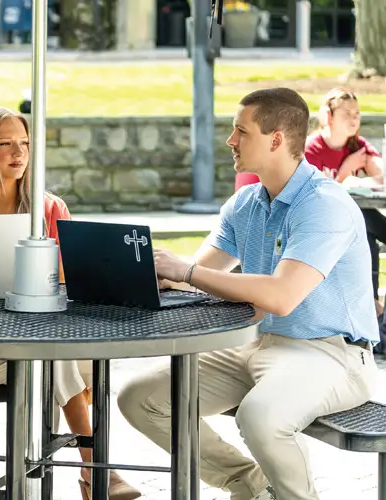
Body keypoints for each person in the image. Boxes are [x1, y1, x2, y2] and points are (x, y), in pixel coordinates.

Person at [118, 88, 379, 500]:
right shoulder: (246, 203)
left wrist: (186, 271)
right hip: (254, 344)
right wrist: (155, 272)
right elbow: (201, 272)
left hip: (332, 353)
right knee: (140, 399)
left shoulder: (324, 205)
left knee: (261, 417)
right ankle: (250, 485)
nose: (230, 141)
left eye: (241, 131)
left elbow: (282, 295)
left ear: (276, 139)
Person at [0, 106, 141, 500]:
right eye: (5, 145)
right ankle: (96, 469)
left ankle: (78, 470)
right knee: (62, 357)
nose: (19, 153)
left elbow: (68, 285)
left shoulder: (49, 209)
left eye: (25, 144)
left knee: (79, 358)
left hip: (42, 339)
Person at [304, 87, 386, 316]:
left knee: (365, 229)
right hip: (321, 224)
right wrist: (345, 171)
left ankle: (373, 307)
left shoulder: (357, 145)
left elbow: (381, 174)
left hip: (355, 221)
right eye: (346, 113)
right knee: (362, 220)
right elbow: (312, 196)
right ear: (328, 117)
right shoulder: (312, 149)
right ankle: (373, 308)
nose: (354, 119)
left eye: (357, 113)